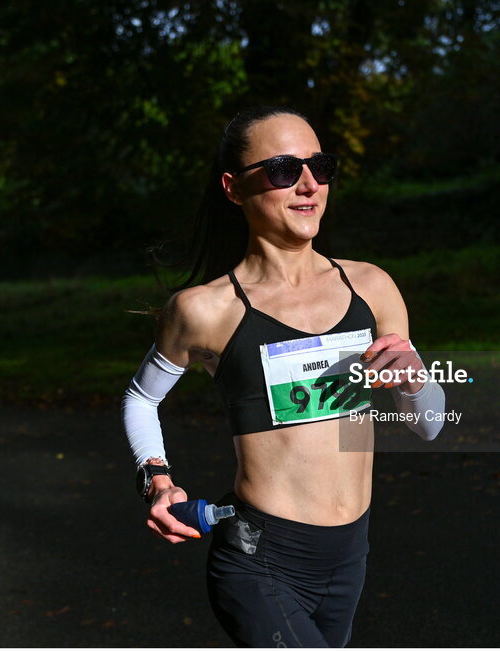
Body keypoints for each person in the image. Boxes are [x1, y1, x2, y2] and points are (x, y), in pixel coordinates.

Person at [121, 105, 447, 648]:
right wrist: (155, 477)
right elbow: (140, 399)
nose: (307, 184)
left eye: (320, 166)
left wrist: (415, 382)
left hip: (350, 558)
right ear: (233, 188)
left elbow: (430, 425)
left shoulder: (372, 287)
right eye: (281, 169)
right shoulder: (205, 310)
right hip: (260, 561)